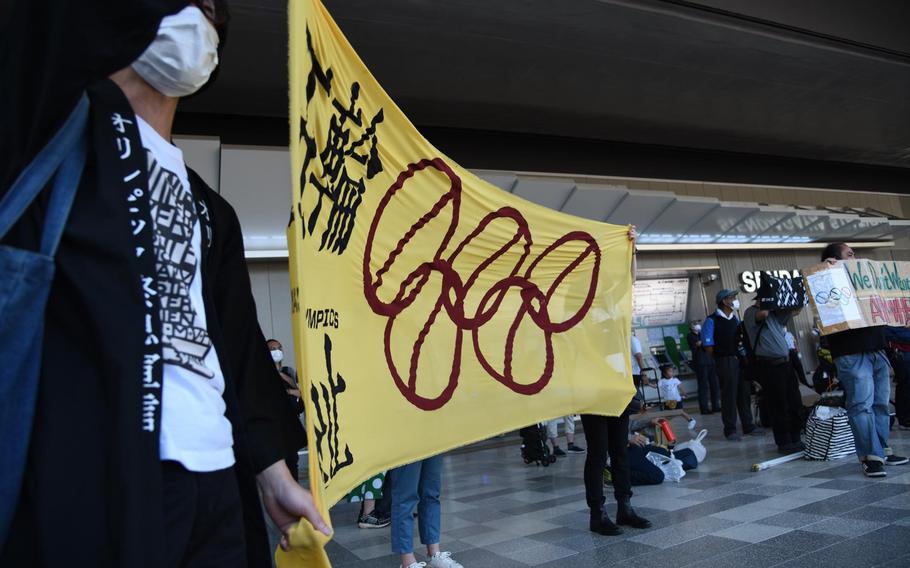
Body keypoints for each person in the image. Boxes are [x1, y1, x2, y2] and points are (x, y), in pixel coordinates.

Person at [0, 3, 328, 566]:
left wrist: (272, 474)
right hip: (99, 474)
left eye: (212, 11)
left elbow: (239, 355)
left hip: (217, 482)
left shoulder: (212, 210)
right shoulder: (49, 134)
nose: (199, 19)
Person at [581, 227, 651, 537]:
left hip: (618, 385)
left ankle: (625, 507)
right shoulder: (579, 309)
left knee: (620, 450)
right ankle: (597, 513)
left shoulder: (616, 306)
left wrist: (632, 248)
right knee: (598, 453)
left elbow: (631, 279)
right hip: (593, 389)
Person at [820, 243, 908, 476]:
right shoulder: (827, 281)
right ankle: (870, 456)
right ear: (834, 260)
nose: (855, 257)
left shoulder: (867, 283)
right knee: (861, 405)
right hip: (851, 353)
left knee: (880, 403)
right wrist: (827, 273)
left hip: (877, 350)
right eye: (850, 254)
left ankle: (881, 449)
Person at [742, 295, 805, 454]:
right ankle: (784, 442)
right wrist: (769, 300)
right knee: (779, 404)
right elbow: (762, 314)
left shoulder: (775, 315)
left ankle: (796, 437)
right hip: (769, 365)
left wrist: (797, 296)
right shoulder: (751, 312)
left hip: (786, 363)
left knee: (794, 402)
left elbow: (795, 310)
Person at [702, 289, 761, 441]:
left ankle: (748, 425)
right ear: (724, 301)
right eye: (732, 297)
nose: (735, 300)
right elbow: (708, 346)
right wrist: (720, 358)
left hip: (738, 360)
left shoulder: (734, 319)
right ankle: (730, 429)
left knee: (744, 392)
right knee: (729, 395)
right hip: (724, 360)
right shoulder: (711, 320)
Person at [388, 457, 462, 568]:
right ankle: (408, 562)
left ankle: (434, 554)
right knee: (404, 498)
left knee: (431, 494)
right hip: (403, 442)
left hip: (431, 440)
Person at [267, 339, 307, 480]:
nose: (276, 351)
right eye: (272, 349)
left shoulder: (288, 371)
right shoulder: (261, 373)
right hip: (273, 427)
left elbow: (301, 392)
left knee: (292, 461)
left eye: (279, 348)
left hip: (290, 423)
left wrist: (288, 391)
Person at [688, 319, 720, 414]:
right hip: (700, 363)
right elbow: (699, 344)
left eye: (698, 323)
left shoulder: (703, 333)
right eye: (694, 324)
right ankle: (704, 408)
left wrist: (705, 341)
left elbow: (708, 342)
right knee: (703, 386)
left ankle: (716, 406)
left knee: (715, 385)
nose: (697, 325)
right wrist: (705, 341)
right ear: (691, 326)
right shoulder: (690, 336)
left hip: (711, 361)